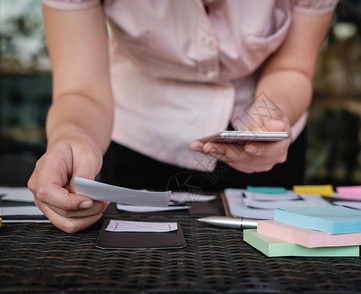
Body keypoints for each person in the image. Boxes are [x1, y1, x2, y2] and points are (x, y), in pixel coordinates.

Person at [28, 0, 339, 233]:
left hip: (263, 148)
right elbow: (81, 92)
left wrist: (270, 120)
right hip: (136, 137)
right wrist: (72, 136)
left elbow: (292, 68)